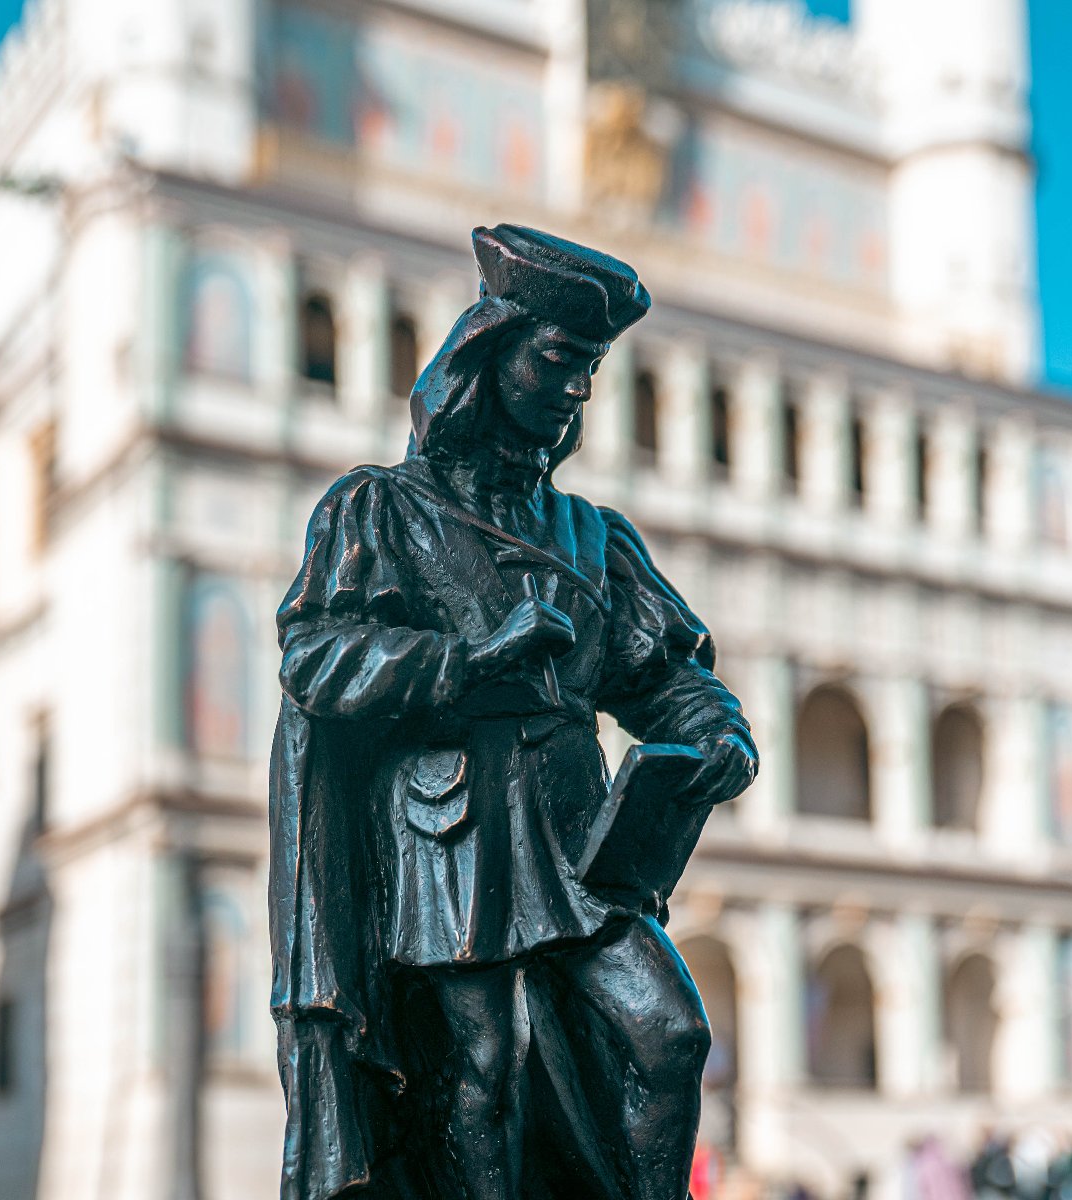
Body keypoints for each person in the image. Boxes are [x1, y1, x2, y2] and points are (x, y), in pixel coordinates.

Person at [269, 225, 758, 1200]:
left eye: (588, 374)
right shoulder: (382, 511)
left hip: (582, 847)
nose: (575, 392)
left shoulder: (591, 534)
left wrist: (712, 726)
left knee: (668, 1033)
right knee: (478, 1085)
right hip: (450, 843)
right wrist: (466, 662)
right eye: (557, 363)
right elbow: (317, 656)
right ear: (490, 358)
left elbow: (656, 674)